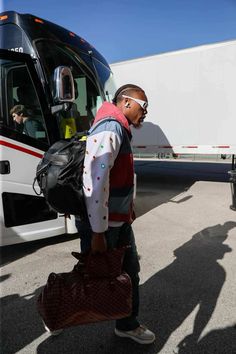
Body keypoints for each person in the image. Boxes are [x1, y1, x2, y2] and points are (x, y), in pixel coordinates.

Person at [76, 84, 156, 345]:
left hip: (118, 220)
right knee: (94, 276)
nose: (145, 113)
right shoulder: (111, 127)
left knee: (128, 271)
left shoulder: (119, 127)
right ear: (126, 102)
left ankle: (126, 324)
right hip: (105, 224)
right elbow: (95, 181)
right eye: (143, 107)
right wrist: (98, 232)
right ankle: (57, 307)